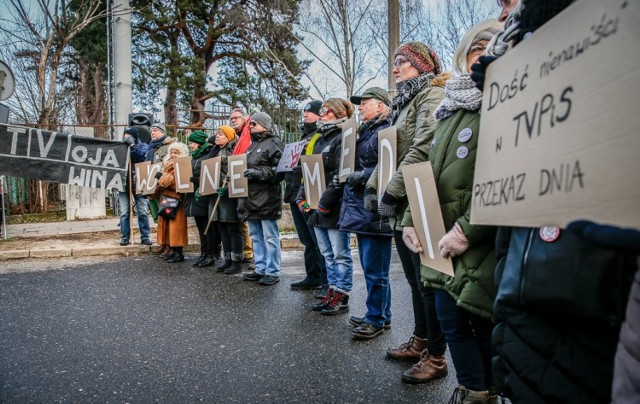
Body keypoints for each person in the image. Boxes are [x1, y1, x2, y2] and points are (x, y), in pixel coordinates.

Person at [471, 1, 637, 402]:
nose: (505, 10)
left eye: (511, 3)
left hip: (589, 308)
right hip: (525, 303)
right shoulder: (518, 50)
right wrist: (509, 95)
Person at [401, 21, 502, 401]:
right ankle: (474, 391)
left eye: (490, 47)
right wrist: (413, 218)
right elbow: (427, 166)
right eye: (475, 49)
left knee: (482, 323)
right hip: (438, 237)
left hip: (479, 238)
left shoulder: (505, 102)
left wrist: (467, 230)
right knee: (449, 321)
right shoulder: (449, 108)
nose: (482, 55)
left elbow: (507, 175)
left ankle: (490, 390)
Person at [364, 42, 449, 383]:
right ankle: (420, 339)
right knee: (415, 281)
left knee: (429, 283)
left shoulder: (431, 96)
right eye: (395, 63)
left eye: (402, 63)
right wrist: (374, 187)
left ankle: (437, 356)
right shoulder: (405, 103)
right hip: (405, 201)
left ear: (422, 66)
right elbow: (391, 154)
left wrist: (390, 190)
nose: (395, 68)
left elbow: (424, 146)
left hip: (421, 198)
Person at [340, 87, 393, 339]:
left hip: (375, 208)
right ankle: (383, 313)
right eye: (359, 104)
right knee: (374, 267)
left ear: (381, 106)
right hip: (364, 208)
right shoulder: (368, 131)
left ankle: (376, 319)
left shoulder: (385, 131)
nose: (359, 107)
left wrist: (364, 175)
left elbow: (390, 165)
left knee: (375, 269)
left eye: (365, 103)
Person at [297, 97, 355, 316]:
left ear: (339, 114)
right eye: (322, 110)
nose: (322, 114)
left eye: (327, 110)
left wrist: (324, 202)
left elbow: (341, 173)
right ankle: (331, 291)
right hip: (315, 207)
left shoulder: (343, 138)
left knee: (340, 253)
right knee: (327, 253)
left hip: (332, 206)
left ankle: (342, 295)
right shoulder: (320, 138)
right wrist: (302, 197)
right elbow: (309, 170)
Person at [285, 100, 327, 291]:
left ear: (320, 115)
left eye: (310, 112)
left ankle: (325, 280)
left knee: (318, 239)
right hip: (296, 193)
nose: (306, 114)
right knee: (307, 240)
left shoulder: (321, 136)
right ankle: (313, 276)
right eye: (304, 112)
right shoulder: (303, 138)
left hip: (311, 193)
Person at [239, 112, 284, 286]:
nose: (251, 127)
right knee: (256, 236)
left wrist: (259, 173)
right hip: (251, 198)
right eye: (250, 124)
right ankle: (260, 268)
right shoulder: (251, 146)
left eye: (254, 124)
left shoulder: (274, 143)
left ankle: (272, 270)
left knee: (270, 236)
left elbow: (280, 171)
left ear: (265, 125)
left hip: (267, 198)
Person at [209, 125, 243, 274]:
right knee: (222, 228)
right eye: (217, 133)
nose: (217, 136)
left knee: (233, 228)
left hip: (230, 195)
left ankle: (237, 260)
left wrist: (227, 188)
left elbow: (237, 173)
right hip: (217, 194)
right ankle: (227, 258)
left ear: (229, 137)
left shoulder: (235, 151)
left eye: (221, 134)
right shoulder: (215, 151)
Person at [184, 130, 218, 267]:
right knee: (200, 227)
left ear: (198, 143)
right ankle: (203, 253)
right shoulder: (195, 157)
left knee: (208, 228)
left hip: (204, 196)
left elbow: (210, 175)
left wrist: (196, 179)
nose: (190, 145)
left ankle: (210, 254)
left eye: (191, 143)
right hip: (194, 196)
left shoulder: (208, 155)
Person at [228, 108, 255, 271]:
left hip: (249, 184)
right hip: (237, 183)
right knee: (241, 221)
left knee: (248, 223)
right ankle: (247, 253)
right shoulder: (236, 138)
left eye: (236, 118)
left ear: (244, 119)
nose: (233, 120)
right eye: (231, 118)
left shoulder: (248, 135)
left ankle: (250, 255)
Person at [155, 142, 190, 263]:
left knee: (177, 227)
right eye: (172, 152)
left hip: (177, 200)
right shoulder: (168, 166)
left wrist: (164, 180)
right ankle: (172, 249)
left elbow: (180, 184)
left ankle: (178, 252)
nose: (173, 155)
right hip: (167, 198)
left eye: (176, 152)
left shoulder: (182, 166)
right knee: (169, 226)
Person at [119, 126, 151, 246]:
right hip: (123, 184)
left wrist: (132, 146)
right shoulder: (120, 146)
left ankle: (145, 236)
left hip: (139, 183)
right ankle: (124, 237)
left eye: (128, 136)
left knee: (142, 211)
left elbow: (142, 157)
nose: (125, 138)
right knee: (124, 212)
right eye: (125, 135)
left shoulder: (143, 146)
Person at [146, 123, 175, 228]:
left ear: (162, 132)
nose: (152, 133)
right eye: (151, 131)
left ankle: (168, 240)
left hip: (164, 185)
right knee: (155, 214)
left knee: (165, 213)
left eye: (155, 130)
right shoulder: (150, 147)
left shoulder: (169, 146)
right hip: (151, 184)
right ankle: (161, 239)